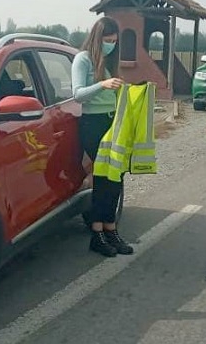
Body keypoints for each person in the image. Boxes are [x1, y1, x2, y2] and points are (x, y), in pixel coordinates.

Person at [71, 16, 134, 257]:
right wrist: (103, 84)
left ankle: (111, 229)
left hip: (112, 121)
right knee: (103, 179)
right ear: (98, 38)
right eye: (108, 40)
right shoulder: (83, 59)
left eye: (115, 41)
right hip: (93, 123)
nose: (111, 45)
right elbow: (78, 95)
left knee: (115, 177)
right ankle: (97, 233)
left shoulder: (109, 61)